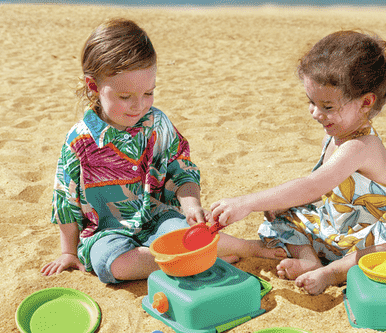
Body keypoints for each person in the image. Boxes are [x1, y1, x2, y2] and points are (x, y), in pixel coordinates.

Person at [43, 18, 279, 282]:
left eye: (148, 93)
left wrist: (190, 204)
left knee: (188, 234)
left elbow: (181, 167)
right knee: (111, 264)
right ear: (93, 87)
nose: (139, 105)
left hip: (157, 217)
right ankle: (193, 260)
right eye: (125, 97)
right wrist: (68, 252)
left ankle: (247, 248)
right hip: (106, 232)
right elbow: (65, 200)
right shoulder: (79, 141)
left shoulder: (157, 123)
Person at [207, 30, 386, 294]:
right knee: (280, 213)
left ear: (366, 102)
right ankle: (309, 260)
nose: (315, 113)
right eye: (311, 102)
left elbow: (313, 185)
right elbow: (323, 192)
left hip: (371, 240)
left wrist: (247, 202)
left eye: (327, 106)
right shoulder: (335, 136)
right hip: (335, 232)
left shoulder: (361, 146)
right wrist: (280, 205)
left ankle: (334, 272)